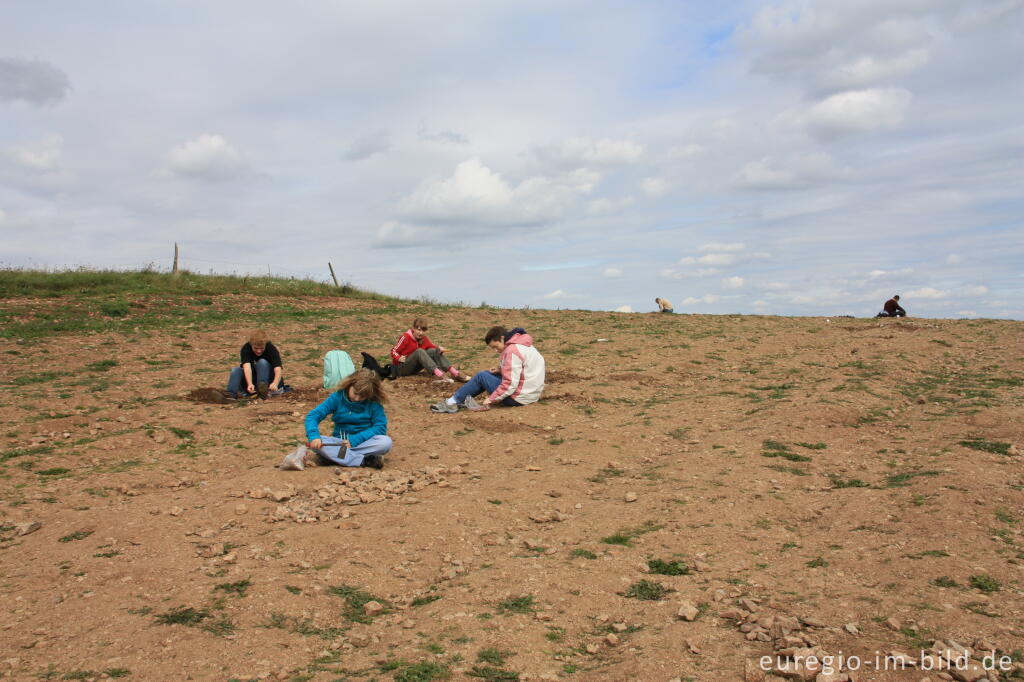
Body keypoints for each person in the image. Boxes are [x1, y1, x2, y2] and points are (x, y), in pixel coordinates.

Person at [431, 326, 545, 413]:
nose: (496, 351)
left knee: (482, 376)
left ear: (502, 338)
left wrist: (491, 399)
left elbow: (510, 384)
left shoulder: (512, 350)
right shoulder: (525, 345)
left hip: (519, 398)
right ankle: (459, 400)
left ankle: (452, 402)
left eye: (495, 346)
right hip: (532, 395)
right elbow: (524, 370)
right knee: (486, 374)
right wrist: (501, 370)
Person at [304, 369, 392, 468]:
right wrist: (314, 436)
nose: (357, 398)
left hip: (364, 443)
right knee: (315, 444)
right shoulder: (337, 397)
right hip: (340, 443)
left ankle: (335, 457)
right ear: (349, 384)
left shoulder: (373, 402)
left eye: (363, 396)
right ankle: (364, 461)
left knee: (385, 442)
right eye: (355, 393)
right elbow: (313, 416)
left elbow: (380, 427)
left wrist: (354, 440)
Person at [385, 318, 467, 382]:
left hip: (414, 368)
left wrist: (439, 349)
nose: (420, 333)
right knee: (419, 351)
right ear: (413, 329)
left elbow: (432, 348)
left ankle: (455, 373)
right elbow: (393, 351)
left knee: (433, 351)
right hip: (401, 368)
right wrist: (398, 358)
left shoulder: (424, 339)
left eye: (423, 330)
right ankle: (440, 375)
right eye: (419, 329)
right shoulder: (405, 337)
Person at [226, 330, 283, 399]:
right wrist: (250, 384)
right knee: (236, 370)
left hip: (270, 382)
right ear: (251, 344)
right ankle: (230, 395)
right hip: (254, 380)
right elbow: (247, 367)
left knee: (262, 362)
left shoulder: (271, 348)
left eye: (262, 348)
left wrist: (275, 383)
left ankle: (263, 390)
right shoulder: (246, 348)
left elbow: (278, 368)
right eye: (255, 348)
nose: (259, 351)